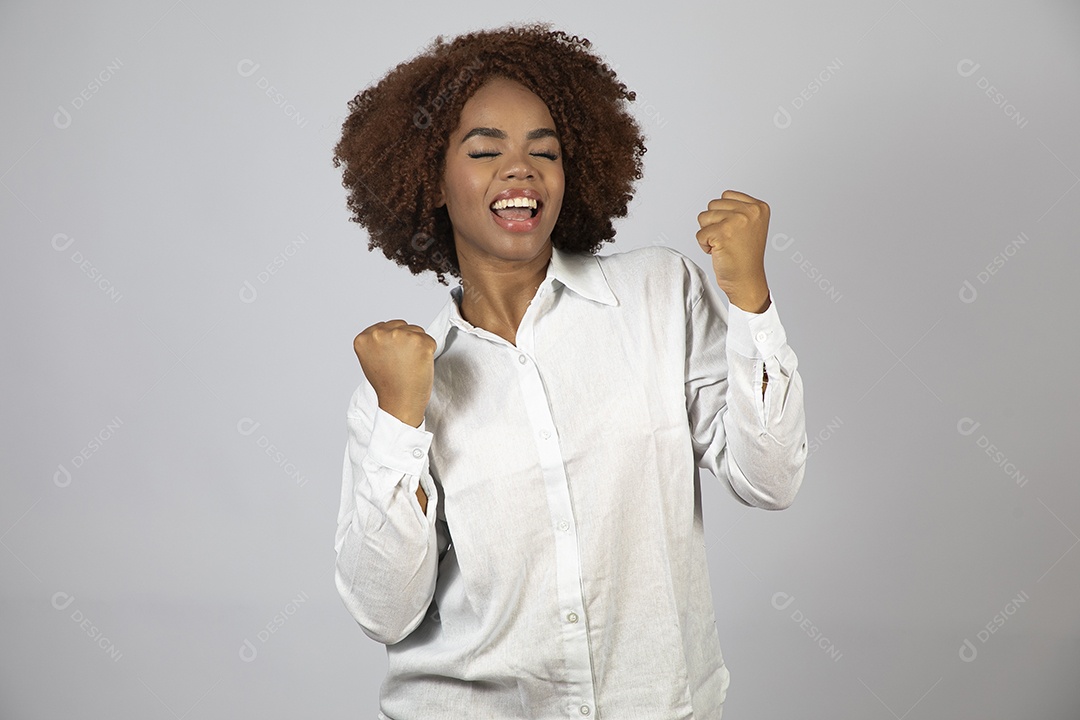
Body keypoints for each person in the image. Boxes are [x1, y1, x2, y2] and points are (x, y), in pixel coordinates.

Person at [331, 21, 807, 720]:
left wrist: (752, 302)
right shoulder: (399, 380)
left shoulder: (657, 294)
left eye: (543, 151)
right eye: (486, 149)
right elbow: (386, 612)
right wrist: (401, 420)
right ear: (431, 176)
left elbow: (770, 481)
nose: (520, 168)